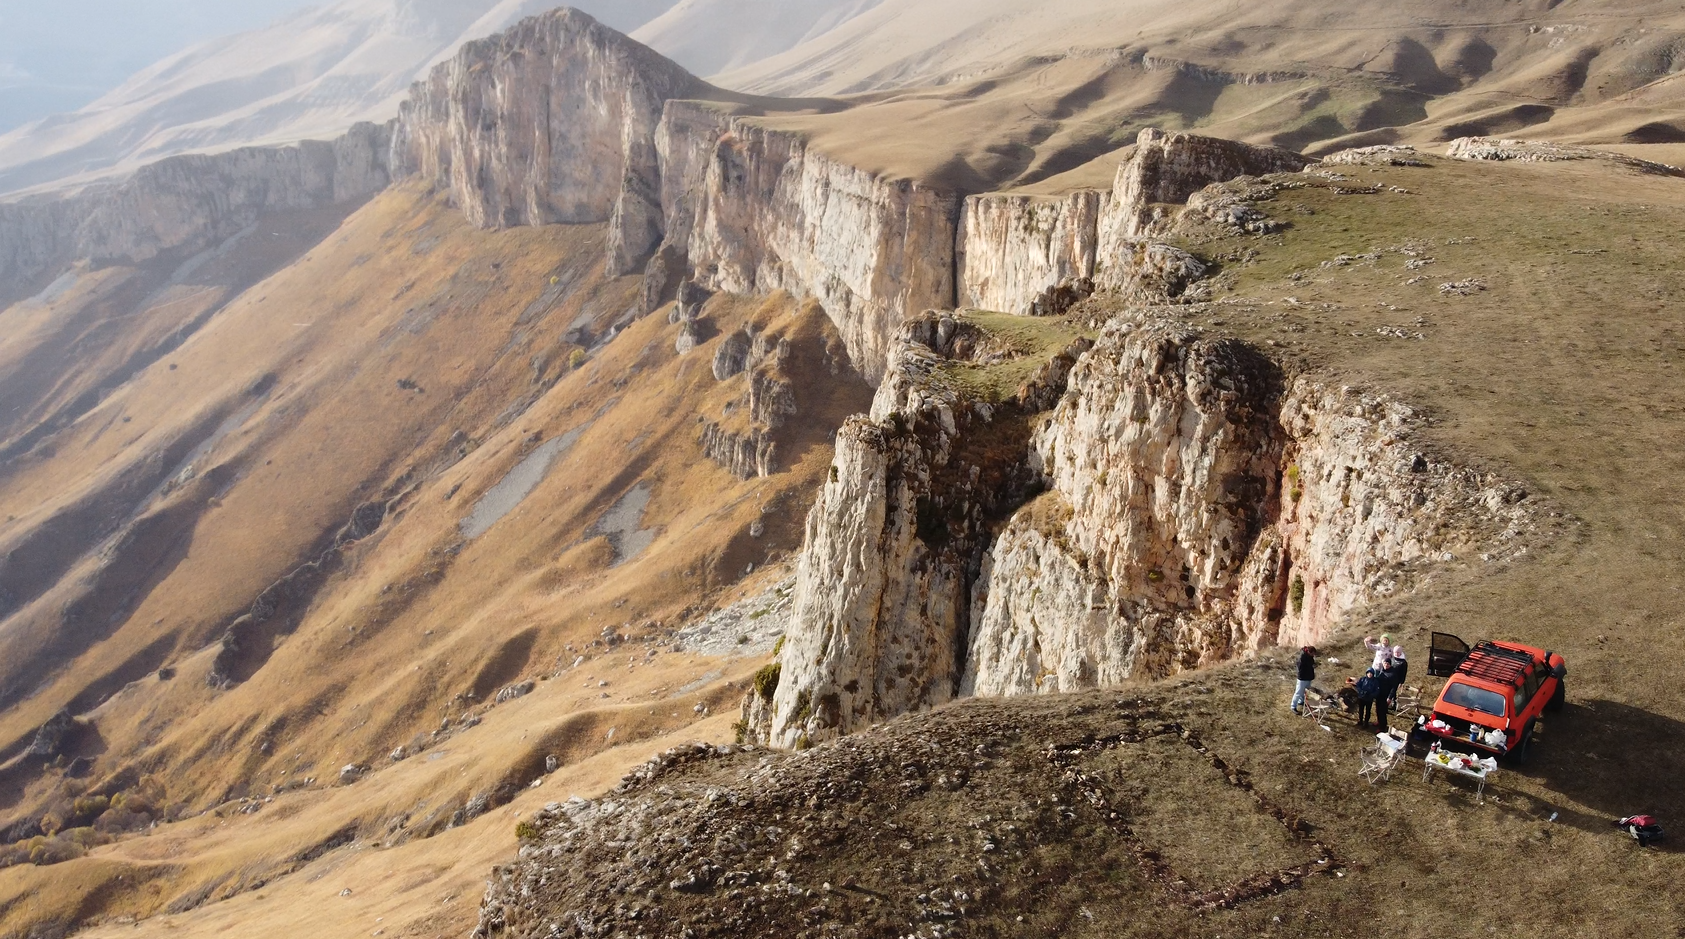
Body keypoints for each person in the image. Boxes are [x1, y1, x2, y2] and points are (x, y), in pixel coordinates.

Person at [1377, 654, 1405, 732]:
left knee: (1382, 711)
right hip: (1379, 694)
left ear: (1390, 664)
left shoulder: (1393, 674)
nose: (1386, 665)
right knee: (1378, 709)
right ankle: (1379, 722)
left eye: (1388, 664)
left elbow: (1394, 687)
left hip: (1386, 695)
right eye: (1385, 663)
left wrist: (1390, 697)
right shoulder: (1382, 670)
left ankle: (1382, 727)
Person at [1291, 646, 1317, 715]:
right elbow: (1301, 668)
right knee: (1298, 692)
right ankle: (1293, 706)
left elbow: (1311, 663)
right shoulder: (1302, 658)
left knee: (1305, 691)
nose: (1313, 655)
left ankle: (1301, 702)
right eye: (1313, 654)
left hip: (1308, 677)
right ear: (1309, 652)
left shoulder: (1309, 656)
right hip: (1302, 678)